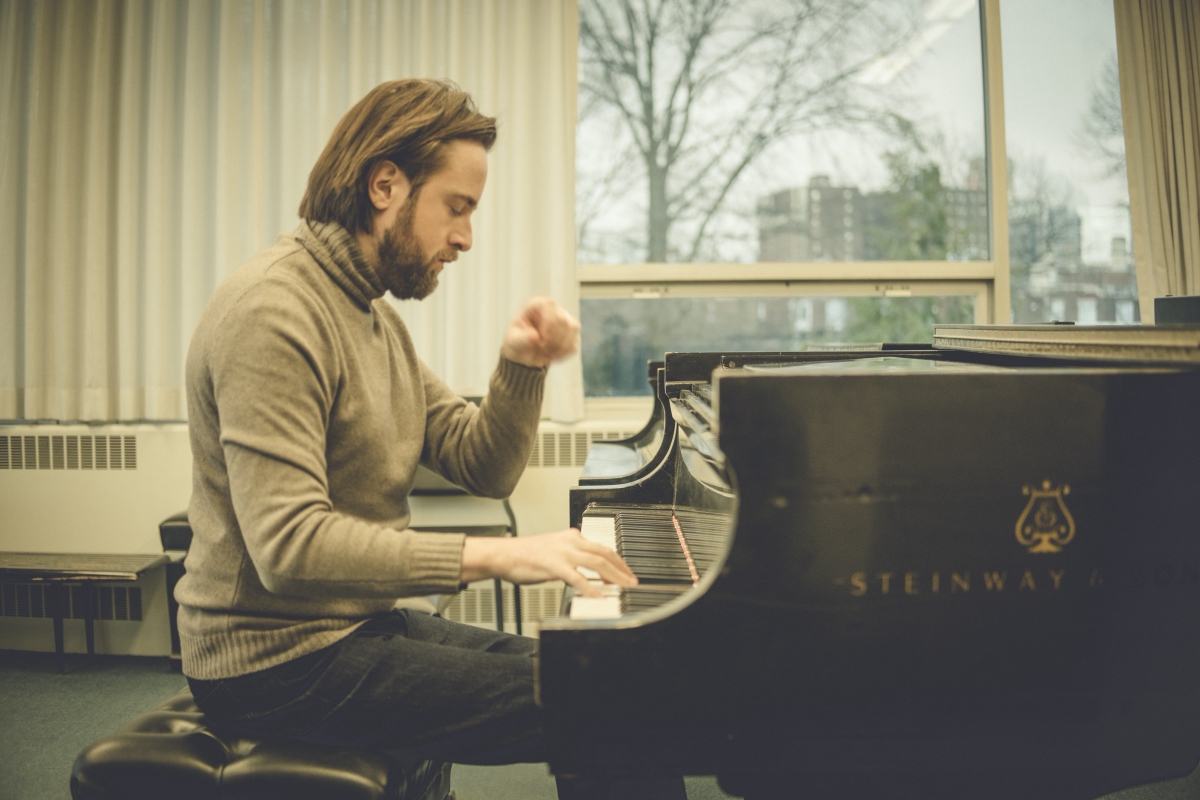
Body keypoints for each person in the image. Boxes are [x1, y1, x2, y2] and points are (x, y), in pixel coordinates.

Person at [176, 79, 684, 799]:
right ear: (386, 185)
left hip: (350, 631)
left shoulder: (371, 318)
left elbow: (485, 467)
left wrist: (521, 366)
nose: (466, 238)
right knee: (612, 707)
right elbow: (289, 548)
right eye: (458, 207)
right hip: (273, 663)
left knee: (604, 675)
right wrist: (503, 555)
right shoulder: (274, 311)